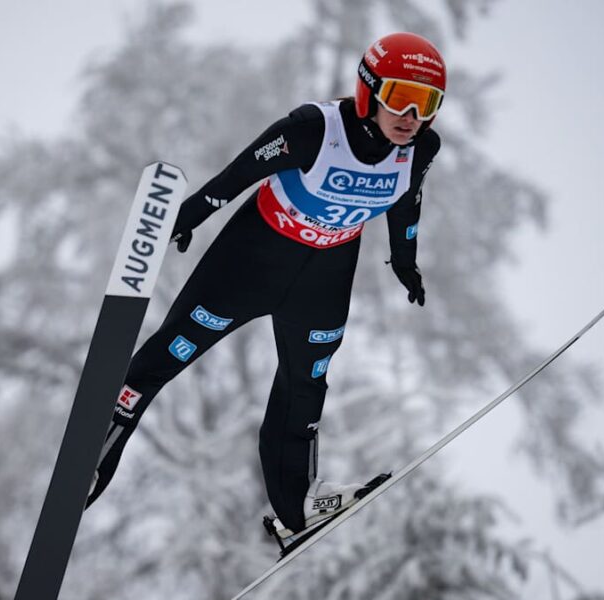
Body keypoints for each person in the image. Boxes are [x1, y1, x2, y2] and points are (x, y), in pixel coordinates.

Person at [87, 32, 446, 546]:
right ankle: (95, 456)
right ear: (369, 91)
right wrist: (184, 219)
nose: (411, 115)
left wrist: (405, 262)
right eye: (400, 97)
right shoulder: (312, 129)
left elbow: (407, 204)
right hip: (252, 261)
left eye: (426, 103)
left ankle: (296, 506)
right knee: (169, 354)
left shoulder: (420, 149)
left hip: (324, 277)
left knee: (306, 388)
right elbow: (236, 176)